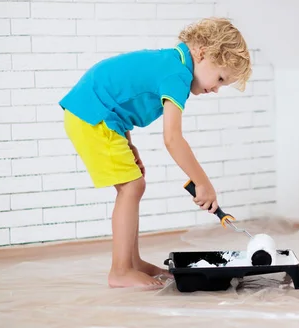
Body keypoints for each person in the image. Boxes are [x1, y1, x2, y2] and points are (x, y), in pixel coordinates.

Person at [59, 17, 252, 288]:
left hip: (102, 115)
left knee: (133, 184)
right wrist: (204, 183)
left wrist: (127, 142)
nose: (217, 89)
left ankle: (132, 262)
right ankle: (121, 270)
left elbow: (121, 94)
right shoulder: (178, 75)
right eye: (219, 78)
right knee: (132, 186)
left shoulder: (170, 63)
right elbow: (172, 138)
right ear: (202, 52)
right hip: (92, 115)